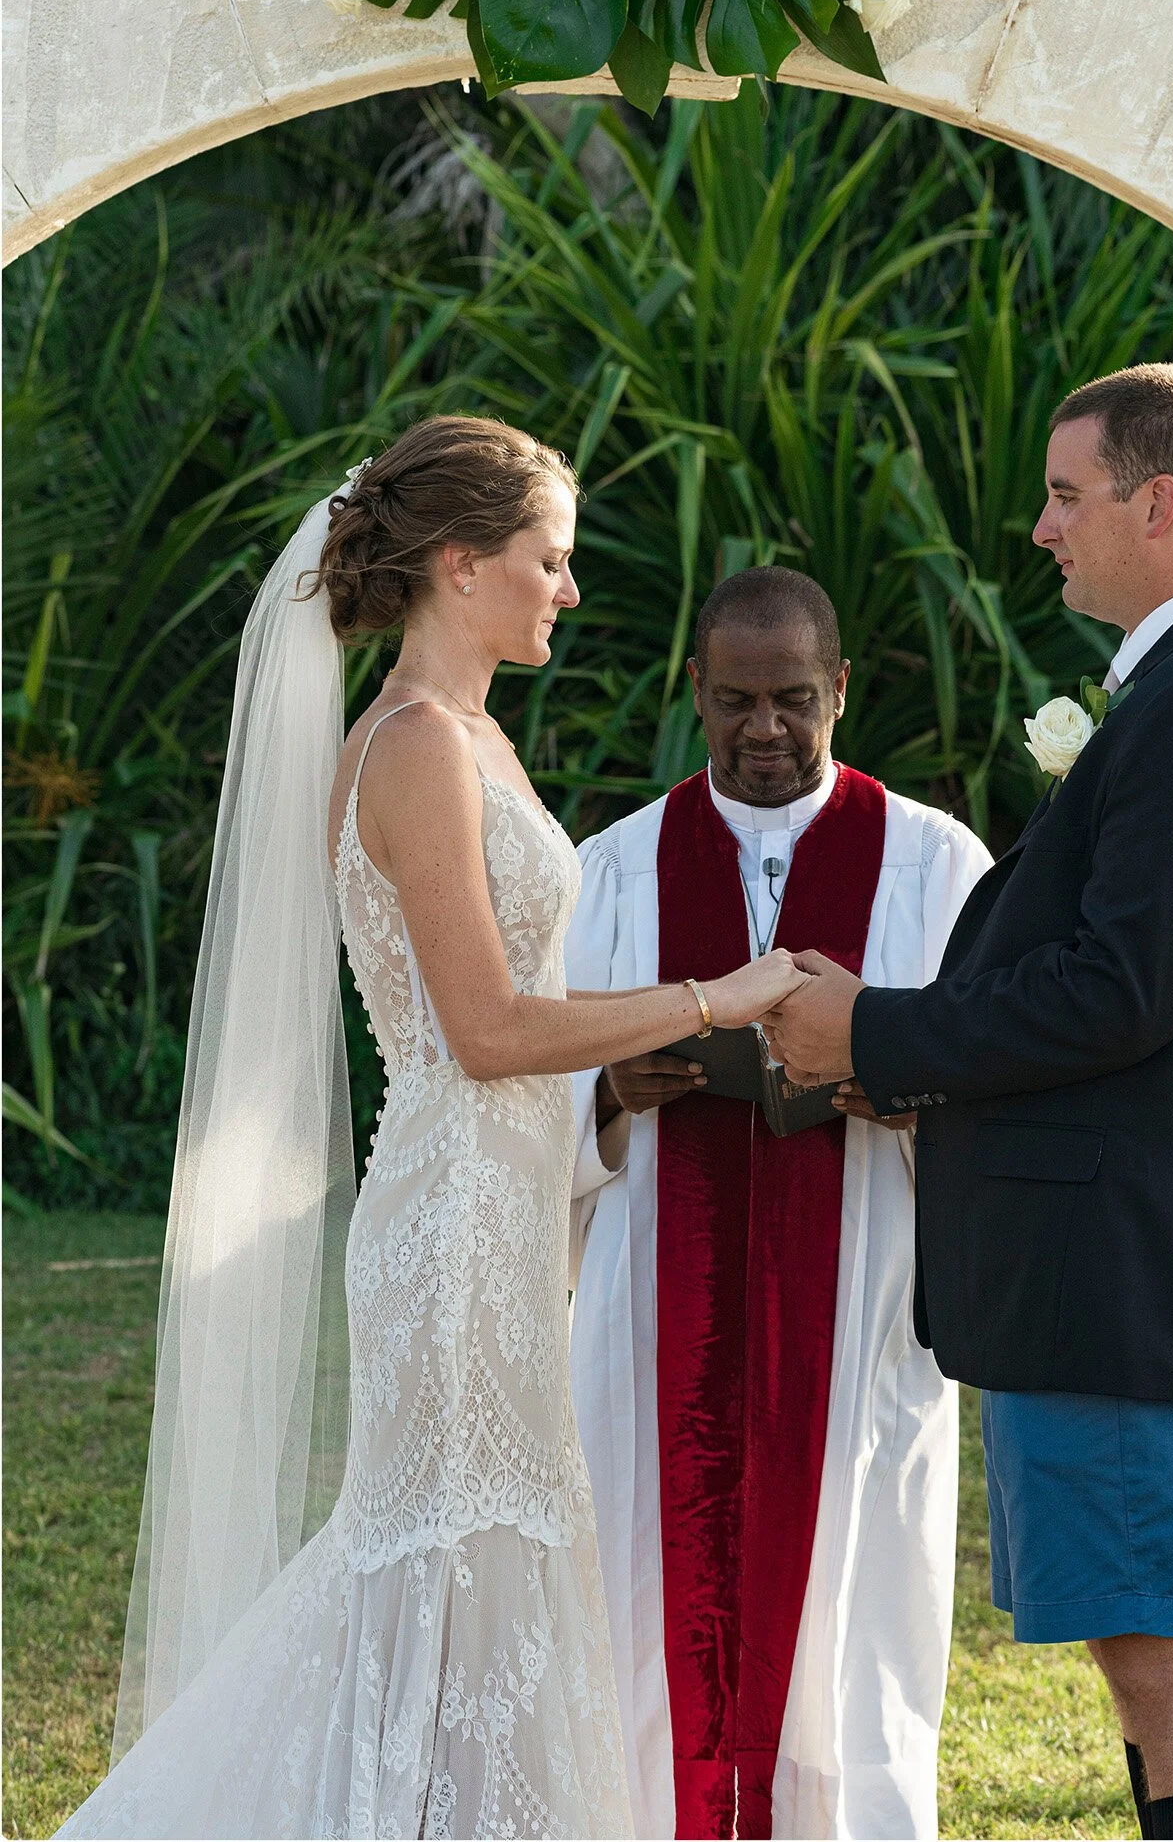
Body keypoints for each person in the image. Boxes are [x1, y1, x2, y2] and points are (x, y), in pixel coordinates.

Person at [61, 417, 803, 1842]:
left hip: (503, 1218)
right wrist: (722, 994)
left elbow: (512, 1025)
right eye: (548, 560)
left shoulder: (470, 739)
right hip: (452, 1227)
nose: (567, 592)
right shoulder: (410, 748)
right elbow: (485, 1033)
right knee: (438, 1568)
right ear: (462, 565)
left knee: (471, 1575)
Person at [765, 365, 1173, 1842]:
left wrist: (873, 1033)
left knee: (1159, 1647)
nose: (1039, 528)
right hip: (1105, 1245)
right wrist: (907, 1060)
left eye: (1065, 495)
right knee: (1136, 1641)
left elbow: (1116, 993)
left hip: (1128, 1260)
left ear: (1159, 504)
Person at [563, 567, 992, 1842]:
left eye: (794, 699)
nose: (765, 729)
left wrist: (900, 1084)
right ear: (689, 690)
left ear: (841, 688)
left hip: (855, 1308)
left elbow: (1005, 1075)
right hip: (656, 1304)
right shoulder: (613, 872)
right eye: (736, 699)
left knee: (851, 1620)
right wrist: (604, 1088)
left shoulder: (932, 864)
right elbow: (521, 1077)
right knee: (648, 1605)